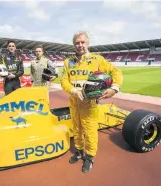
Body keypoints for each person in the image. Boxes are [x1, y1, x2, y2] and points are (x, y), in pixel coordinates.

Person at [60, 31, 123, 173]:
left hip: (90, 104)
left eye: (83, 42)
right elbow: (64, 80)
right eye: (77, 42)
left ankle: (89, 157)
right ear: (74, 44)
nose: (80, 45)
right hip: (74, 102)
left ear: (87, 43)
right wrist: (73, 91)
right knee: (76, 129)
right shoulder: (68, 62)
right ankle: (79, 151)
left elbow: (115, 72)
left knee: (89, 131)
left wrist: (115, 88)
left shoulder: (97, 59)